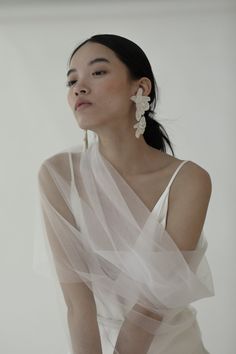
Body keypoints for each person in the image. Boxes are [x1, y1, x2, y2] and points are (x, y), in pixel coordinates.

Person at [35, 34, 215, 354]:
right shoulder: (59, 175)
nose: (79, 86)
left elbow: (148, 311)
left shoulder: (188, 180)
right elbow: (79, 307)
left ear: (140, 88)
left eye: (98, 72)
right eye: (71, 79)